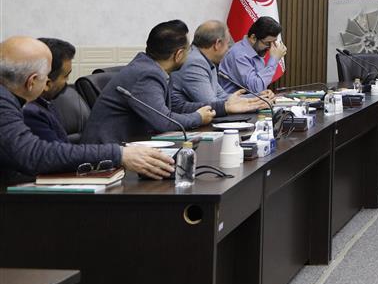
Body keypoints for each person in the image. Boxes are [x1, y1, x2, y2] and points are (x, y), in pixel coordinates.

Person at [0, 36, 173, 184]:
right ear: (32, 82)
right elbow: (33, 155)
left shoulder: (11, 98)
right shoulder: (4, 103)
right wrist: (119, 154)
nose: (48, 84)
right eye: (46, 78)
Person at [81, 20, 214, 144]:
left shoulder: (157, 70)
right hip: (105, 153)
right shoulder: (146, 75)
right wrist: (198, 118)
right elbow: (164, 121)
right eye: (188, 50)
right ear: (178, 54)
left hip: (129, 146)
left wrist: (221, 107)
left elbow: (176, 107)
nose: (189, 54)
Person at [171, 20, 269, 115]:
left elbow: (221, 96)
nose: (228, 49)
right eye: (227, 44)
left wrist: (260, 96)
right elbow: (211, 104)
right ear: (217, 44)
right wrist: (254, 102)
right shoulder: (195, 63)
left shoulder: (206, 60)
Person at [22, 37, 76, 142]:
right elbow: (58, 151)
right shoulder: (31, 114)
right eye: (65, 76)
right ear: (47, 83)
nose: (67, 81)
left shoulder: (43, 102)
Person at [219, 16, 287, 94]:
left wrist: (265, 93)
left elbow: (259, 87)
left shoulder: (256, 51)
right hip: (232, 100)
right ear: (253, 38)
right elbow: (256, 88)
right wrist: (274, 59)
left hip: (250, 100)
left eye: (274, 42)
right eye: (268, 43)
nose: (271, 47)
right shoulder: (239, 55)